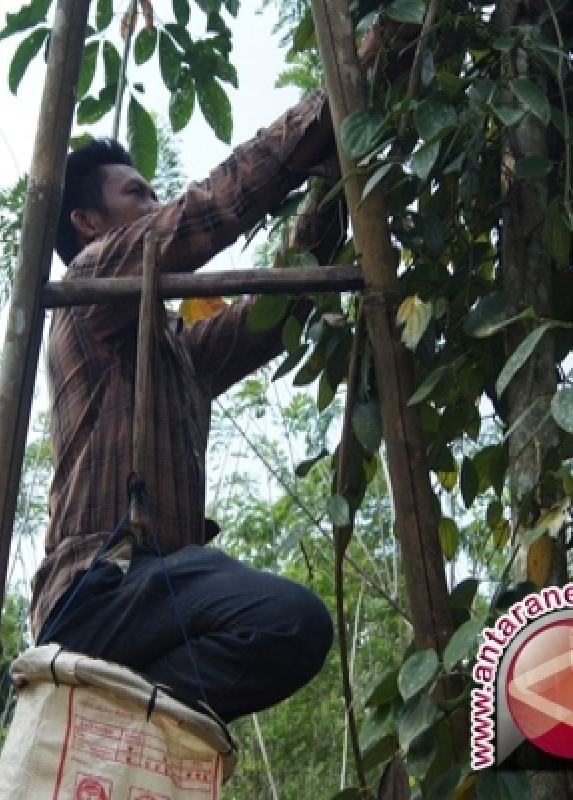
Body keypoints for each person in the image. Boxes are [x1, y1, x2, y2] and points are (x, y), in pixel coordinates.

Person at [29, 88, 340, 723]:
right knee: (289, 621)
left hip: (150, 596)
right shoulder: (88, 283)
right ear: (87, 223)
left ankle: (113, 702)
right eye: (136, 195)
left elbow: (274, 314)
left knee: (292, 629)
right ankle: (121, 698)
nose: (155, 205)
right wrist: (324, 115)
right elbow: (203, 214)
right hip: (99, 587)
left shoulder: (177, 353)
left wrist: (331, 185)